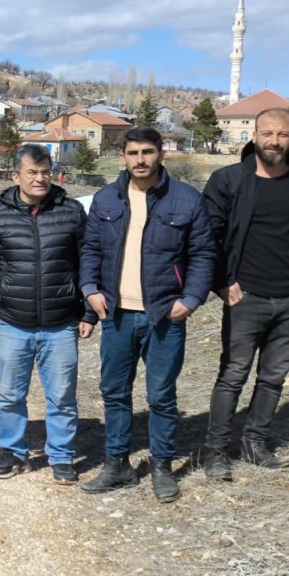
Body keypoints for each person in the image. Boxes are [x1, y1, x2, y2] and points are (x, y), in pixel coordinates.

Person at [79, 126, 215, 503]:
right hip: (118, 315)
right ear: (123, 156)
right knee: (115, 392)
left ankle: (161, 466)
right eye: (134, 152)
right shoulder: (107, 198)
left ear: (161, 155)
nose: (141, 160)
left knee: (162, 396)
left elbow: (204, 254)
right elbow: (90, 248)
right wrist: (90, 291)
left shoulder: (186, 200)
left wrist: (190, 299)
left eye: (148, 152)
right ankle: (117, 463)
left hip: (164, 317)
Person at [201, 108, 289, 479]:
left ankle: (254, 443)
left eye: (283, 134)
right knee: (233, 375)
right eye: (267, 133)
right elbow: (209, 237)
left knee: (273, 378)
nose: (274, 141)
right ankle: (216, 450)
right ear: (254, 135)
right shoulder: (229, 181)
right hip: (246, 298)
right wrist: (222, 282)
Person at [0, 143, 94, 485]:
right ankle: (13, 453)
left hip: (61, 326)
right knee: (11, 395)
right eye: (32, 172)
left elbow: (88, 264)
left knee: (61, 396)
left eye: (45, 171)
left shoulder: (71, 212)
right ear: (16, 176)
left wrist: (88, 313)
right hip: (13, 324)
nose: (40, 178)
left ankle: (60, 456)